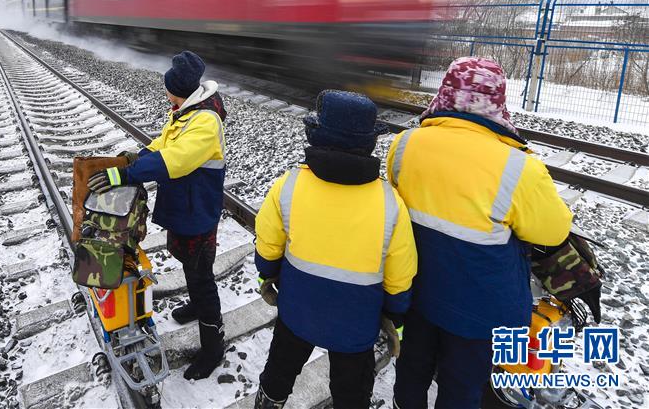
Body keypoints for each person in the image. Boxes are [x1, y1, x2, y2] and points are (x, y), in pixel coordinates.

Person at [389, 57, 573, 409]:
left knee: (412, 366)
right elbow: (553, 232)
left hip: (417, 290)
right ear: (498, 100)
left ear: (445, 91)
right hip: (480, 311)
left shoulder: (405, 144)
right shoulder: (520, 167)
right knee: (461, 385)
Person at [252, 90, 417, 409]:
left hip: (297, 313)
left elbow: (268, 245)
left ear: (316, 135)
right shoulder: (390, 204)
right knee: (351, 392)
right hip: (356, 326)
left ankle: (269, 401)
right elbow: (400, 276)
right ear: (369, 143)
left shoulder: (289, 185)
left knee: (280, 370)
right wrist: (395, 313)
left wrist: (268, 274)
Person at [88, 50, 227, 380]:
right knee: (190, 263)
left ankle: (213, 348)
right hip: (185, 207)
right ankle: (197, 305)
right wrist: (137, 157)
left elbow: (175, 159)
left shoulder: (205, 122)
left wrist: (124, 174)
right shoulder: (186, 111)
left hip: (198, 211)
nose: (165, 94)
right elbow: (164, 143)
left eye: (167, 89)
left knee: (201, 276)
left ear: (177, 90)